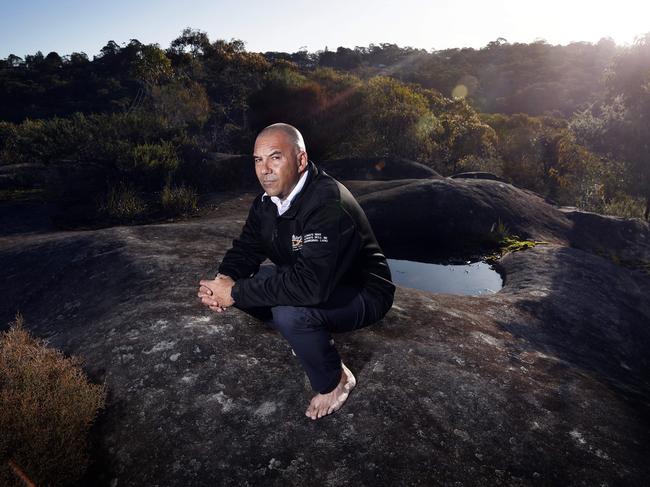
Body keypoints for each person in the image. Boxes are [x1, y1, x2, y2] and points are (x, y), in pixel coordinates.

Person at [197, 123, 395, 420]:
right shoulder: (267, 201)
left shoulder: (327, 202)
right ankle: (309, 337)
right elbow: (247, 248)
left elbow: (312, 287)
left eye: (275, 158)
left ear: (301, 160)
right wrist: (224, 281)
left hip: (362, 291)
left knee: (291, 313)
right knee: (247, 285)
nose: (264, 169)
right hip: (314, 278)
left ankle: (336, 381)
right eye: (257, 160)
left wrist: (234, 293)